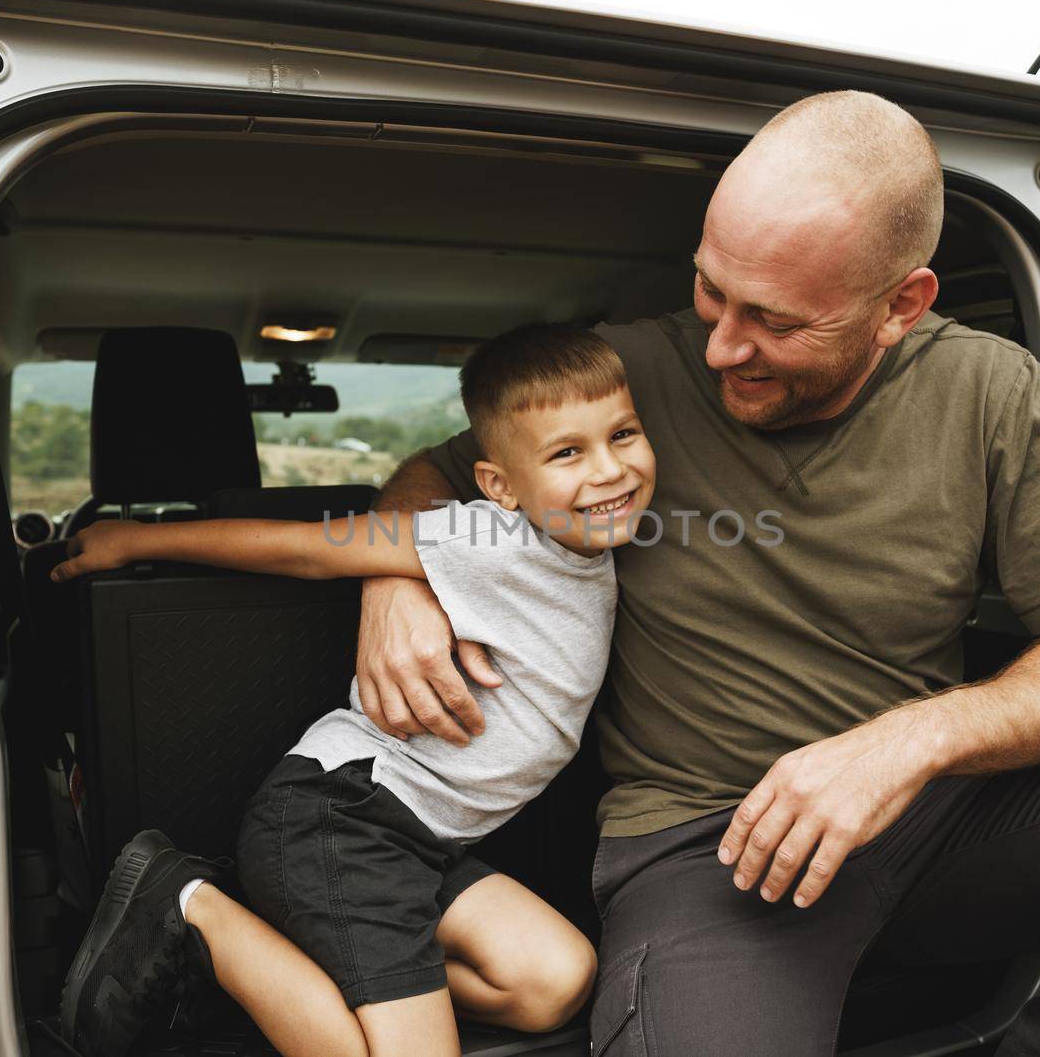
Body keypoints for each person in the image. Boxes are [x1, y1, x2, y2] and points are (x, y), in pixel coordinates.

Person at [356, 91, 1040, 1055]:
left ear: (898, 307)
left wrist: (911, 741)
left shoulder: (985, 386)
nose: (719, 344)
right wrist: (395, 582)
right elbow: (430, 476)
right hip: (711, 846)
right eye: (711, 289)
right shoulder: (620, 380)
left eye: (776, 322)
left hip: (945, 815)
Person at [53, 324, 658, 1057]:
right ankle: (188, 902)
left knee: (555, 981)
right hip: (343, 818)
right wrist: (137, 541)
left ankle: (295, 965)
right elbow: (309, 550)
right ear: (499, 486)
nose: (609, 471)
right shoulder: (486, 539)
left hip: (423, 844)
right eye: (568, 451)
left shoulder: (599, 542)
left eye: (623, 434)